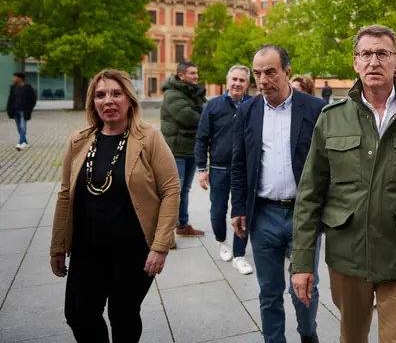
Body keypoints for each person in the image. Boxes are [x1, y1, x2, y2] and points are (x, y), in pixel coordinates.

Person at [291, 25, 396, 343]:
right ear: (355, 62)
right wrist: (302, 262)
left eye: (382, 53)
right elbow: (309, 195)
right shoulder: (331, 117)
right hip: (347, 256)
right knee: (352, 337)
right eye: (365, 54)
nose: (373, 61)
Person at [50, 69, 180, 343]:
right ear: (93, 102)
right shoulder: (79, 140)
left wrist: (160, 246)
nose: (108, 100)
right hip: (87, 250)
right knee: (78, 314)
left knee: (123, 315)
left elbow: (170, 190)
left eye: (116, 93)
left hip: (133, 251)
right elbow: (65, 195)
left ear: (130, 100)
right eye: (100, 95)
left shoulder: (149, 138)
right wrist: (58, 246)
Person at [230, 45, 325, 343]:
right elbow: (239, 163)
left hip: (303, 215)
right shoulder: (247, 110)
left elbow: (328, 164)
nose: (262, 80)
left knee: (304, 286)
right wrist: (238, 208)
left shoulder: (315, 109)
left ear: (287, 72)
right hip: (263, 215)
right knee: (268, 291)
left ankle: (308, 334)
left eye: (270, 72)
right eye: (257, 73)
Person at [195, 65, 254, 275]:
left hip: (245, 170)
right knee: (217, 212)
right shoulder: (213, 106)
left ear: (248, 84)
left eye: (242, 80)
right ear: (227, 81)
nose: (237, 83)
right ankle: (221, 241)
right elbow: (202, 138)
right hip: (219, 168)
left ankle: (239, 255)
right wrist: (202, 168)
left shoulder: (255, 105)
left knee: (242, 212)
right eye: (234, 79)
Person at [161, 61, 206, 238]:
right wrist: (202, 111)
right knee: (173, 191)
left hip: (190, 149)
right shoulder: (172, 94)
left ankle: (182, 225)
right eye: (192, 73)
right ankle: (165, 234)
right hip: (176, 150)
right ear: (181, 75)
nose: (196, 76)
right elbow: (189, 118)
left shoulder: (191, 92)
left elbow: (203, 112)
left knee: (184, 190)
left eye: (196, 73)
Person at [6, 72, 37, 151]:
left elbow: (33, 99)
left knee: (23, 127)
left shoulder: (28, 87)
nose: (13, 79)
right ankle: (25, 142)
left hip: (24, 111)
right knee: (19, 128)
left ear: (20, 78)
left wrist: (30, 108)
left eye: (15, 77)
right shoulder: (13, 87)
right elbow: (10, 99)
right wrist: (9, 109)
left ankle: (20, 143)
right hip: (15, 110)